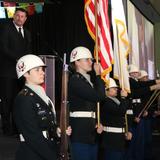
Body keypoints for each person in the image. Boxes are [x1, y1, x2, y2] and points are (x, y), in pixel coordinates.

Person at [13, 54, 71, 160]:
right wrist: (54, 157)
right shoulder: (24, 98)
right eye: (37, 70)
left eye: (42, 69)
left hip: (46, 149)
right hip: (33, 154)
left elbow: (46, 126)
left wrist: (58, 131)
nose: (43, 72)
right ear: (26, 73)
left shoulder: (41, 95)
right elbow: (33, 136)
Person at [68, 46, 105, 160]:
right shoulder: (75, 80)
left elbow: (92, 106)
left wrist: (98, 122)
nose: (91, 62)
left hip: (91, 132)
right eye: (87, 59)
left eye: (91, 59)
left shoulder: (87, 80)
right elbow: (98, 96)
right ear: (77, 62)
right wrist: (99, 75)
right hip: (80, 134)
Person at [0, 8, 32, 136]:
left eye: (22, 16)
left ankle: (17, 128)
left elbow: (28, 51)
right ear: (14, 16)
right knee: (7, 100)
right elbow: (3, 48)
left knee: (18, 101)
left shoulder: (28, 33)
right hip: (7, 72)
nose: (20, 18)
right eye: (17, 15)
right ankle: (7, 129)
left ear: (25, 19)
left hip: (21, 73)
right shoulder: (6, 29)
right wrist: (17, 59)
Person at [126, 64, 160, 160]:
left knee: (140, 141)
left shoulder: (134, 82)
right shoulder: (129, 82)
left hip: (139, 114)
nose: (137, 73)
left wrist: (155, 82)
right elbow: (138, 90)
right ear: (130, 73)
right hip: (134, 115)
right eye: (135, 72)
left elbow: (141, 86)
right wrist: (153, 86)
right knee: (135, 142)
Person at [100, 78, 132, 160]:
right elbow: (120, 112)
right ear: (106, 90)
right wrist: (123, 98)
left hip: (119, 137)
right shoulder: (105, 102)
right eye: (113, 88)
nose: (116, 90)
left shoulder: (116, 100)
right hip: (111, 139)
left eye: (116, 88)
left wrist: (127, 130)